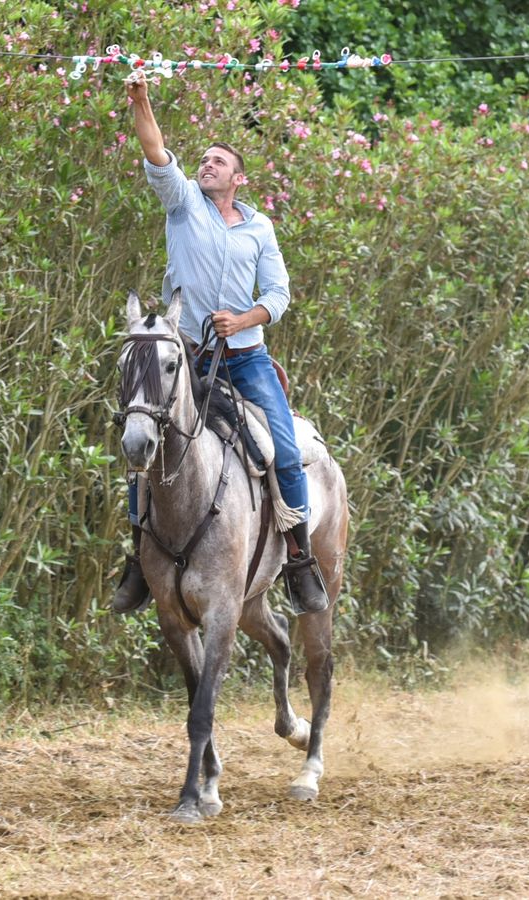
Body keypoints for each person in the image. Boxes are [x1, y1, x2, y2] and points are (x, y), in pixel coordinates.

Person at [112, 71, 329, 617]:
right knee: (147, 441)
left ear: (239, 178)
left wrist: (246, 318)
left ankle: (299, 560)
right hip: (187, 355)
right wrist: (141, 101)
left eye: (218, 161)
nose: (206, 164)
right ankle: (140, 563)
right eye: (203, 159)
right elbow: (156, 149)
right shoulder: (183, 204)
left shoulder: (260, 230)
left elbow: (279, 295)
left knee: (280, 447)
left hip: (247, 357)